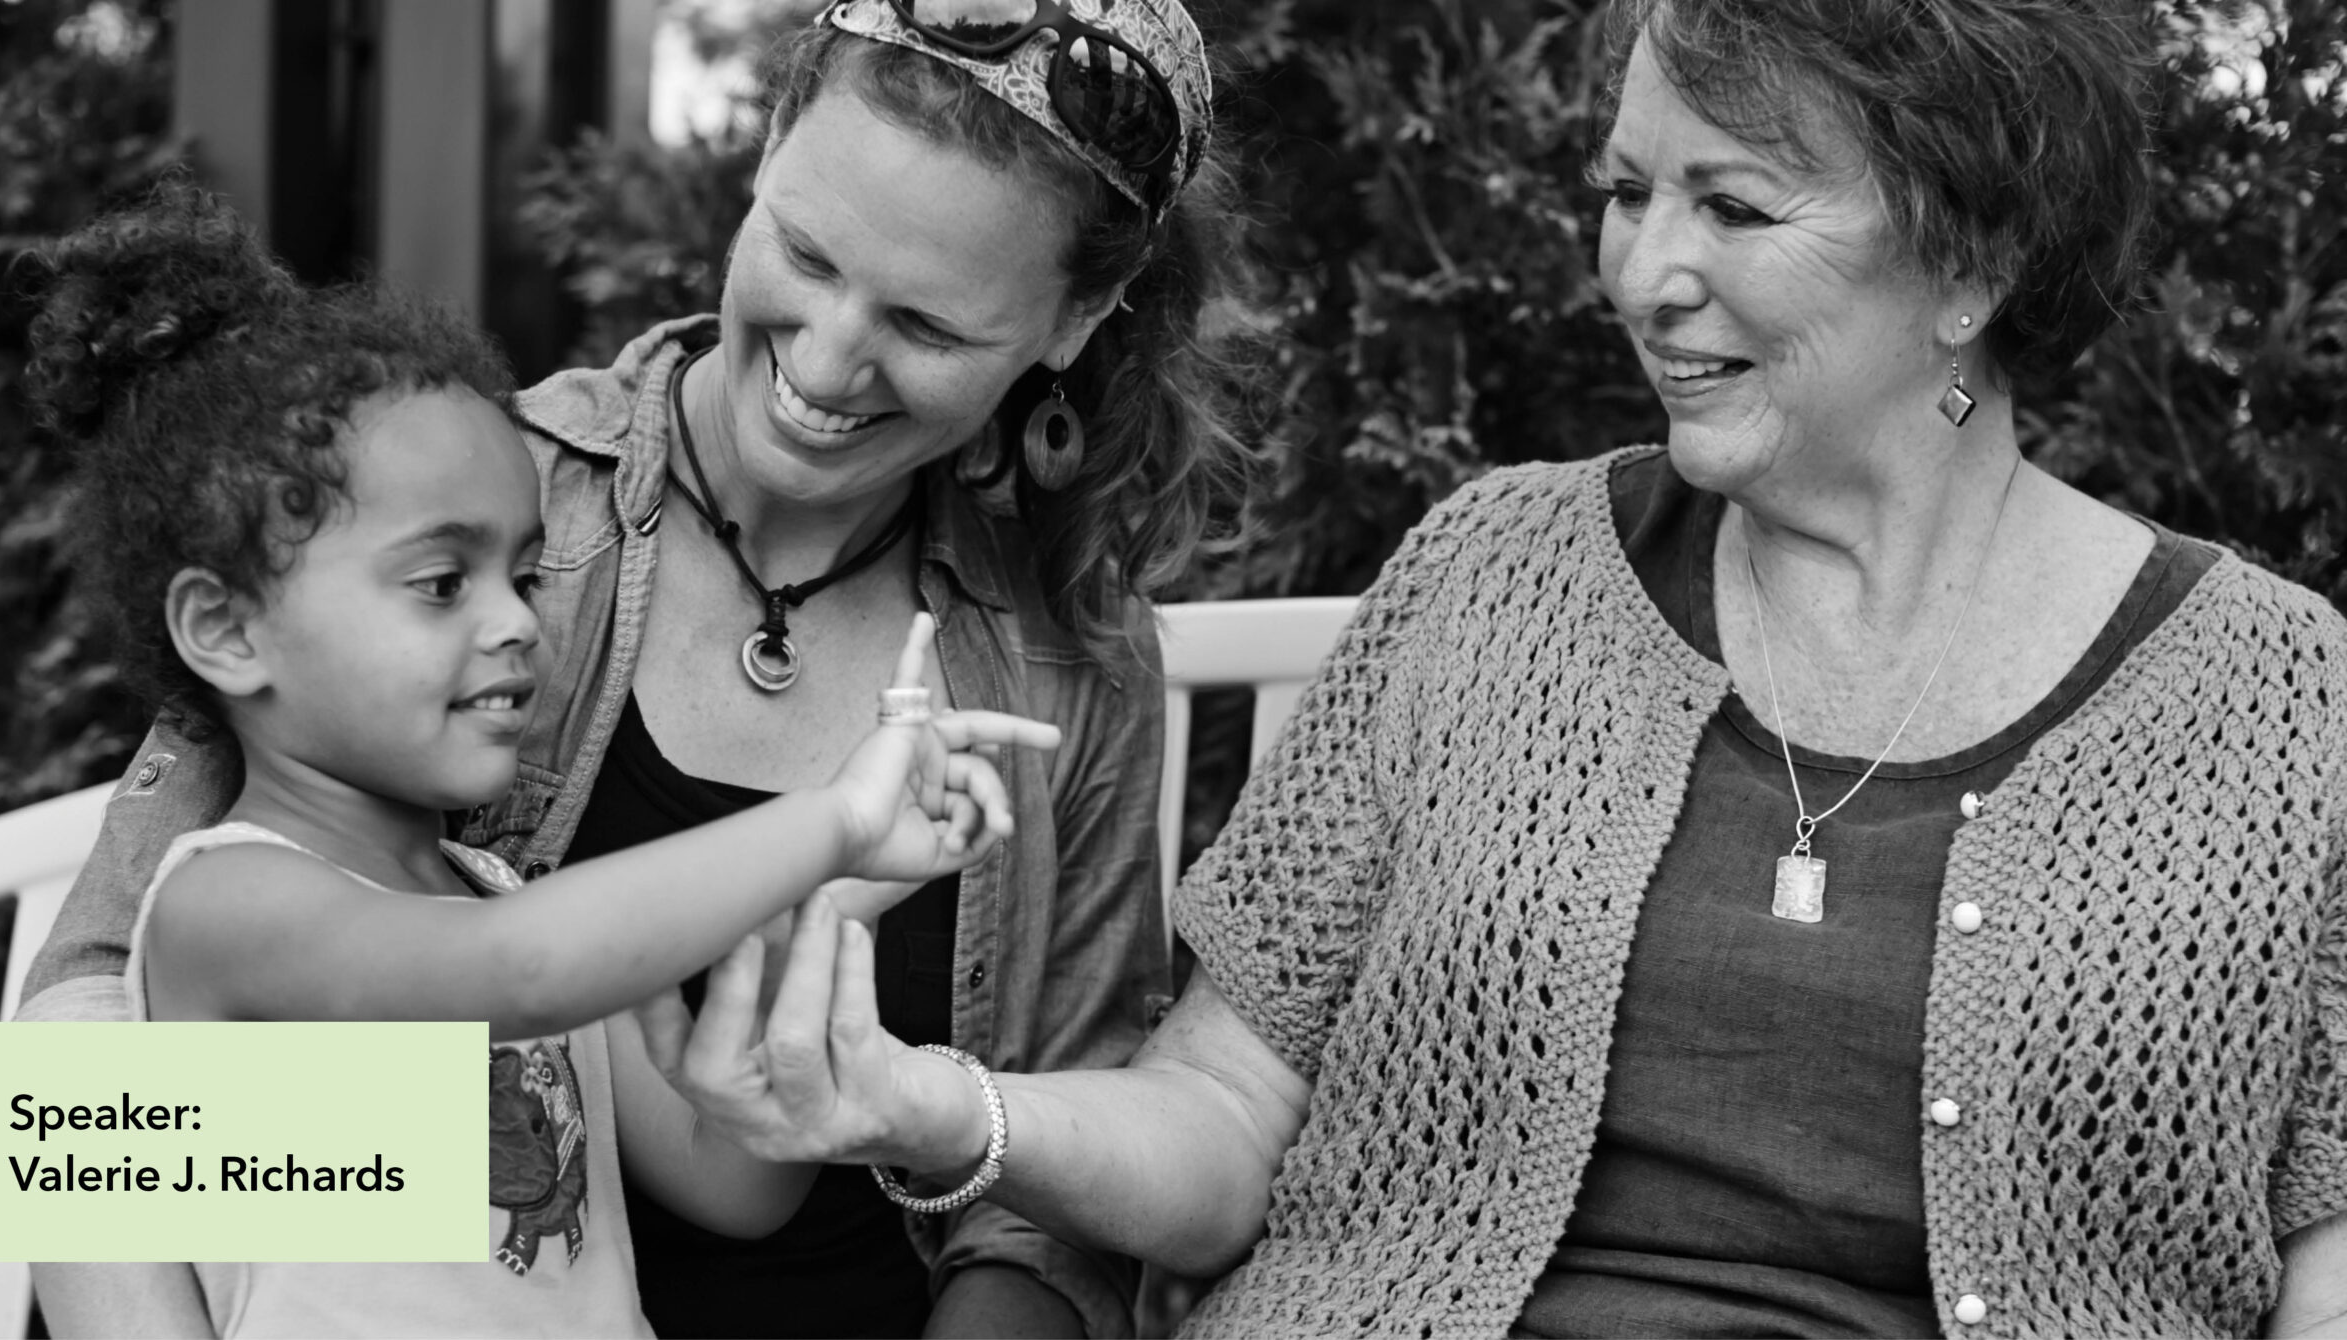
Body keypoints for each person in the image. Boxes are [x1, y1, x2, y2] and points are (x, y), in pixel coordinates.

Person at [640, 0, 2347, 1336]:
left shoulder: (2280, 710)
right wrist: (933, 1107)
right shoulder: (1497, 575)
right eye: (1624, 191)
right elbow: (1224, 1120)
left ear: (1973, 260)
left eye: (1731, 204)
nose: (1641, 273)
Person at [20, 0, 1256, 1334]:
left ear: (1073, 321)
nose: (830, 362)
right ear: (767, 142)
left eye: (929, 328)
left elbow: (1010, 1216)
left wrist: (840, 905)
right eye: (803, 251)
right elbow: (43, 1055)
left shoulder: (1070, 656)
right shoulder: (441, 496)